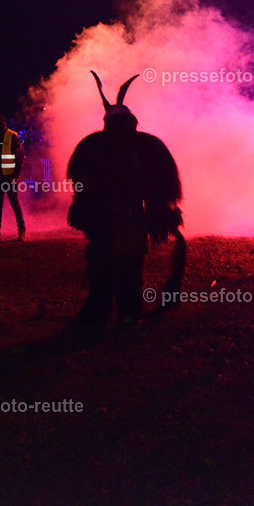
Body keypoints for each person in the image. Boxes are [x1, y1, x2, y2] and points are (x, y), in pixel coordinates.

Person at [67, 72, 183, 326]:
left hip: (107, 219)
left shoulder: (92, 145)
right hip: (130, 217)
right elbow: (164, 185)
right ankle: (126, 313)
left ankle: (102, 313)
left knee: (104, 265)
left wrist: (83, 206)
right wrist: (161, 209)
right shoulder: (148, 145)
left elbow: (80, 182)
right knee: (128, 267)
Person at [0, 112, 26, 243]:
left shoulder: (11, 136)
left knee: (14, 204)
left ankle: (21, 232)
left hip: (9, 177)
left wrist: (16, 175)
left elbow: (20, 157)